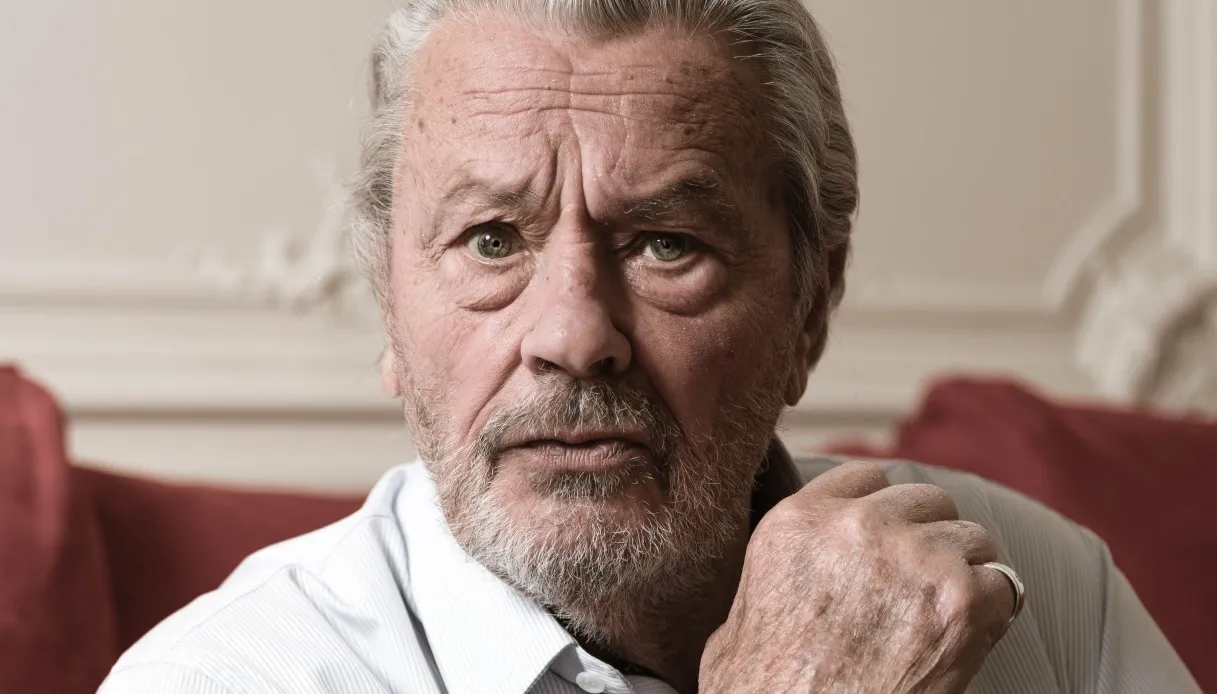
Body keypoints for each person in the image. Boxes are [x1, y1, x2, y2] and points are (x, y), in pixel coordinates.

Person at [98, 1, 1200, 692]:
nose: (573, 334)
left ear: (811, 303)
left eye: (667, 243)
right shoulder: (225, 677)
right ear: (391, 309)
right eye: (492, 240)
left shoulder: (1037, 587)